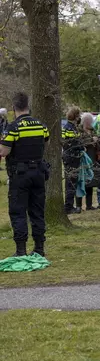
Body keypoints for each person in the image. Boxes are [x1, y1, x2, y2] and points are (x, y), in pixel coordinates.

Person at [0, 92, 50, 257]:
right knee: (37, 211)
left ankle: (21, 250)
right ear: (28, 106)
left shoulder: (13, 127)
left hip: (20, 175)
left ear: (14, 108)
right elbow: (45, 142)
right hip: (39, 173)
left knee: (18, 211)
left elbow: (4, 151)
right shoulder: (40, 125)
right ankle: (39, 248)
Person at [76, 113, 100, 211]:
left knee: (91, 182)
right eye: (90, 121)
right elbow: (79, 143)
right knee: (81, 183)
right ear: (86, 122)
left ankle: (89, 205)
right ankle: (78, 206)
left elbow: (98, 145)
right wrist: (91, 139)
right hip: (83, 160)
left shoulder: (93, 132)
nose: (92, 123)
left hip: (92, 159)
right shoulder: (79, 131)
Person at [62, 106, 84, 214]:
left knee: (72, 183)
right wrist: (82, 145)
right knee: (71, 182)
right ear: (76, 116)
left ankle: (70, 205)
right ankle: (68, 207)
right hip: (71, 158)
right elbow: (73, 143)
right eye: (79, 115)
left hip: (71, 157)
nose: (80, 117)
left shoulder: (70, 127)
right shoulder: (70, 128)